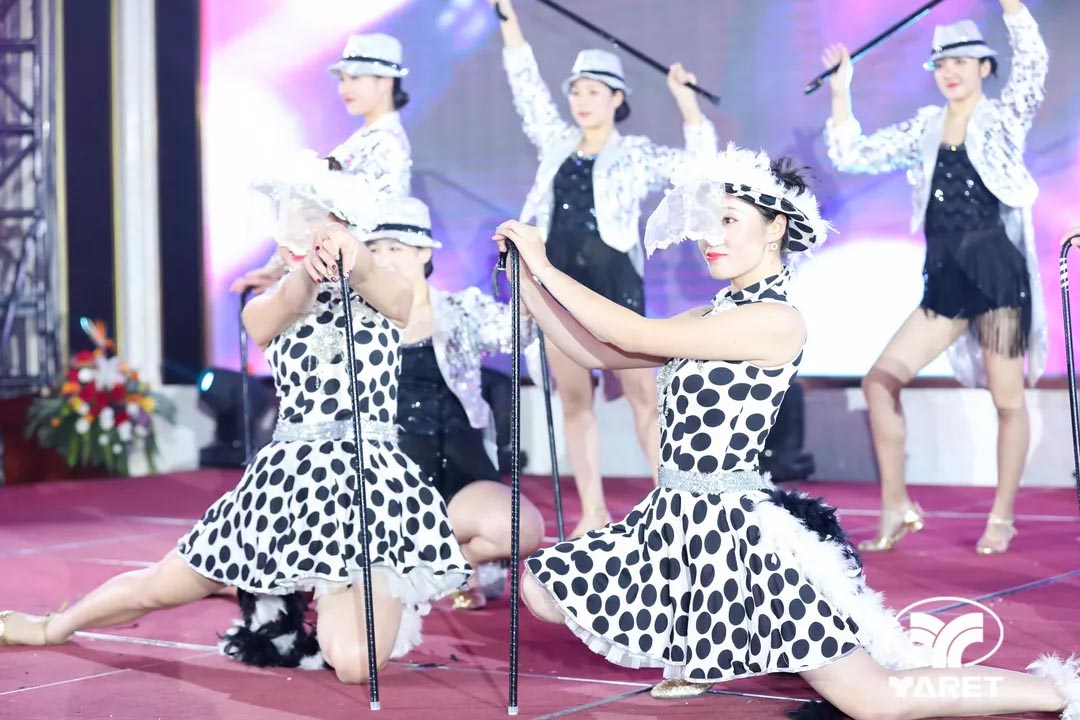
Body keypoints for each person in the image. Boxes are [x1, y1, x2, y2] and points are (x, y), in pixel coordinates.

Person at [490, 144, 1077, 718]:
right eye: (707, 223)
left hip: (737, 534)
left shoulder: (775, 319)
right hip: (671, 520)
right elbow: (599, 351)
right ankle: (708, 647)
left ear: (775, 228)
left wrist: (546, 266)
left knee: (874, 701)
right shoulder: (713, 313)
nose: (710, 237)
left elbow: (632, 334)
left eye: (728, 221)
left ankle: (1055, 692)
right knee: (541, 588)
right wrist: (528, 287)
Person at [0, 167, 471, 687]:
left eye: (330, 218)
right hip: (288, 485)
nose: (317, 229)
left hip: (370, 487)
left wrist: (353, 256)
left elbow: (397, 300)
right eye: (305, 219)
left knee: (357, 667)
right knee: (160, 586)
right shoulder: (268, 303)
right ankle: (55, 625)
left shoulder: (384, 288)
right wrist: (305, 274)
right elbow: (283, 306)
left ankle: (317, 595)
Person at [822, 0, 1049, 554]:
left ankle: (1002, 517)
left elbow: (1034, 65)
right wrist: (841, 92)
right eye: (942, 63)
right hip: (945, 280)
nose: (950, 72)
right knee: (879, 382)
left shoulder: (1003, 119)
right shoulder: (925, 127)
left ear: (985, 68)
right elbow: (852, 154)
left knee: (1007, 400)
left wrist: (1012, 7)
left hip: (997, 275)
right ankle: (896, 506)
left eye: (962, 62)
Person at [490, 0, 718, 537]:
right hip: (559, 285)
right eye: (576, 90)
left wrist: (686, 102)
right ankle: (592, 510)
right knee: (575, 400)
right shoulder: (554, 144)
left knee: (645, 398)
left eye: (594, 91)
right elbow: (527, 88)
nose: (582, 100)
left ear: (617, 98)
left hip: (616, 285)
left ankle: (675, 505)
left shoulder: (634, 153)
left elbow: (700, 167)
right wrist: (508, 19)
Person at [231, 32, 413, 295]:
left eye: (355, 78)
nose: (344, 89)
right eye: (342, 79)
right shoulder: (365, 139)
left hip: (352, 280)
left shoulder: (388, 143)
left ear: (385, 81)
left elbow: (376, 219)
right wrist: (278, 266)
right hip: (333, 269)